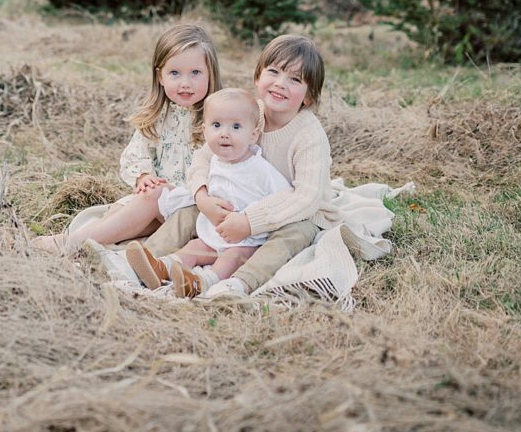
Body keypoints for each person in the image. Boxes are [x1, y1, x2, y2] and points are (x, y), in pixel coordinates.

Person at [136, 33, 342, 300]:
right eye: (274, 71)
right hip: (241, 200)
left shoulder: (308, 136)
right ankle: (150, 260)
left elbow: (307, 197)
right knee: (189, 211)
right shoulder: (246, 111)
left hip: (294, 214)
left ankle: (237, 283)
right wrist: (202, 196)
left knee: (292, 236)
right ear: (257, 77)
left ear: (309, 97)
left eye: (295, 79)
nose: (280, 84)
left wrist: (249, 222)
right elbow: (203, 157)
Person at [30, 22, 222, 254]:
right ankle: (84, 246)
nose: (185, 83)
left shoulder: (218, 118)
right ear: (160, 76)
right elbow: (136, 154)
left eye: (196, 73)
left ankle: (67, 243)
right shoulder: (157, 117)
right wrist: (143, 175)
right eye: (174, 73)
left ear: (210, 74)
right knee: (126, 213)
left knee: (150, 199)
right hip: (159, 204)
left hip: (194, 208)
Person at [125, 87, 290, 298]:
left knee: (231, 258)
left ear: (253, 135)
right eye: (217, 125)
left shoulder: (260, 169)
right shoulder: (214, 161)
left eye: (236, 126)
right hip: (213, 234)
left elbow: (283, 198)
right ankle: (163, 267)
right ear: (205, 131)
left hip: (247, 241)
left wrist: (250, 220)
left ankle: (202, 282)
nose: (224, 133)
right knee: (194, 247)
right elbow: (196, 177)